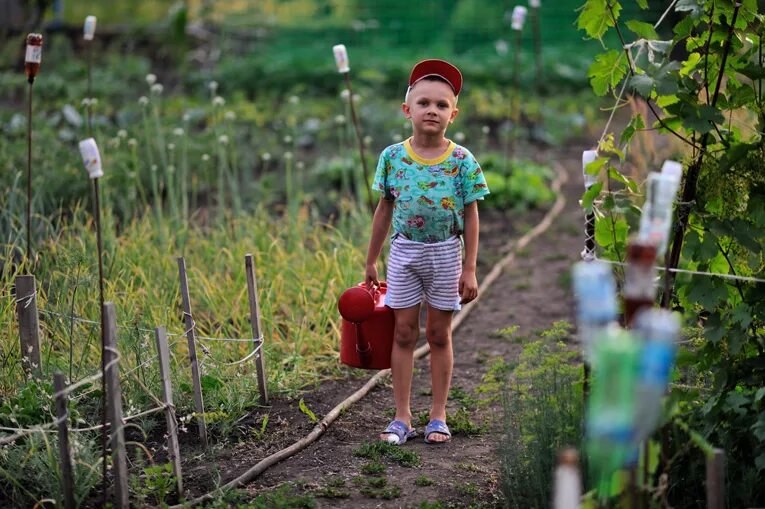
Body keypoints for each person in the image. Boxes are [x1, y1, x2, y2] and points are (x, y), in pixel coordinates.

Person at [365, 59, 489, 445]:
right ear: (408, 110)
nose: (431, 110)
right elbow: (384, 209)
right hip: (404, 253)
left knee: (438, 333)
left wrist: (469, 267)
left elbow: (471, 214)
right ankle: (402, 415)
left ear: (454, 112)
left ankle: (438, 414)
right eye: (423, 103)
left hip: (446, 255)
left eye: (441, 104)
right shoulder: (392, 158)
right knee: (402, 333)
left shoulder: (461, 161)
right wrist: (371, 258)